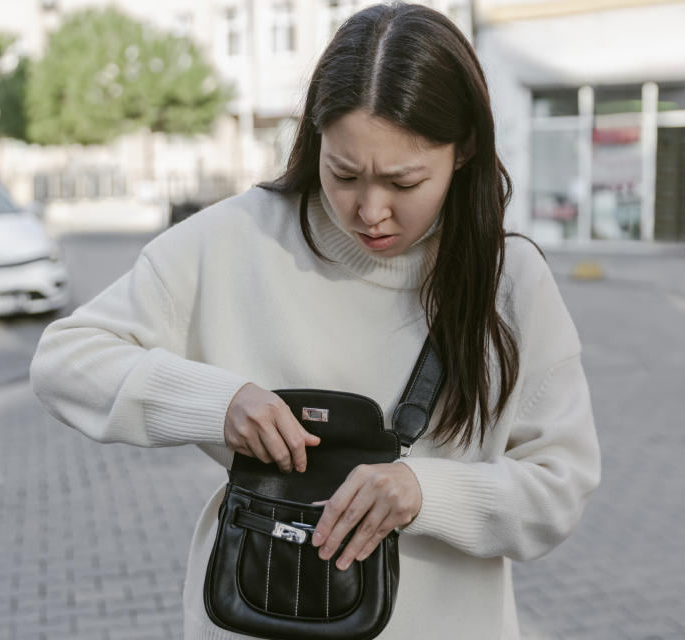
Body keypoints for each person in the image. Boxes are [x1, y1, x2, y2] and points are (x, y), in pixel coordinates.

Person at [30, 3, 601, 638]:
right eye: (344, 173)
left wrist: (425, 493)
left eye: (405, 182)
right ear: (315, 140)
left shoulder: (510, 280)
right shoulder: (239, 237)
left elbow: (559, 487)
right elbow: (65, 360)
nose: (370, 211)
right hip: (254, 617)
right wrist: (217, 402)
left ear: (463, 149)